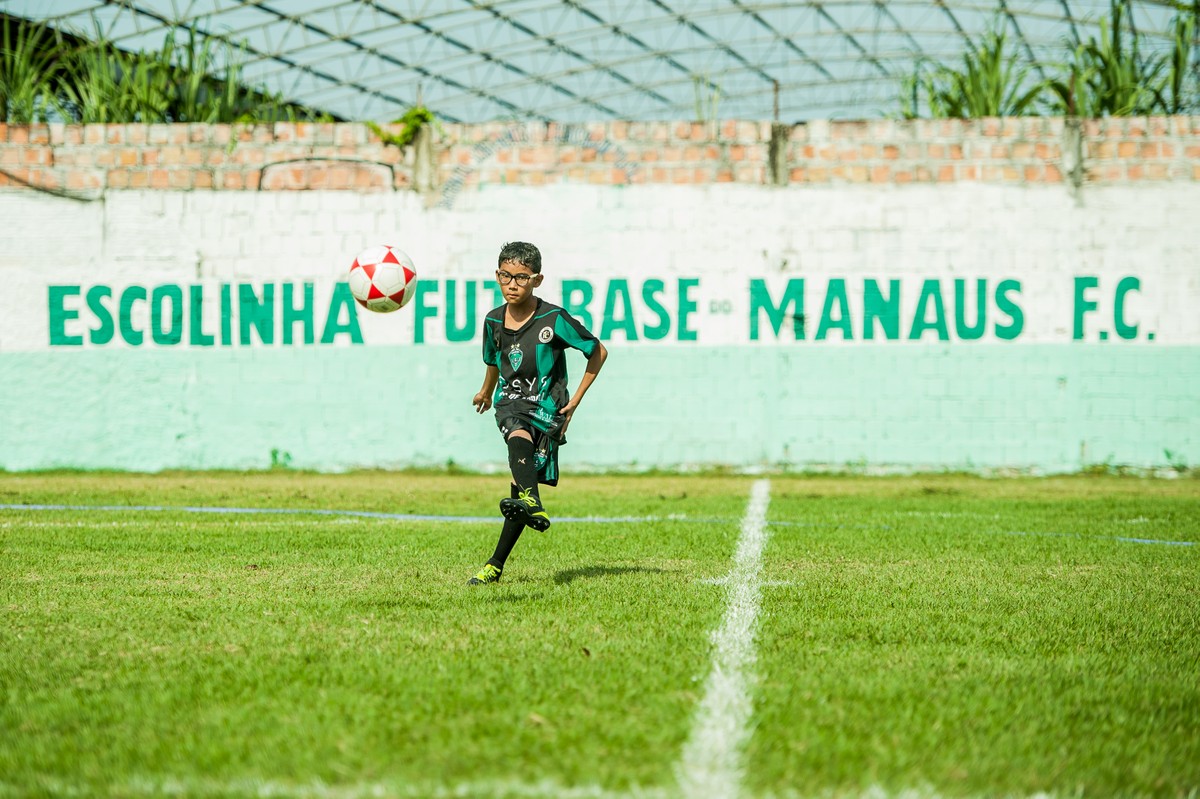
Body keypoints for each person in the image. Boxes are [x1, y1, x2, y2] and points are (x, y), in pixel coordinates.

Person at [468, 241, 608, 585]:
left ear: (537, 280)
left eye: (521, 277)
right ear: (496, 275)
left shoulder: (553, 318)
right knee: (517, 437)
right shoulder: (492, 321)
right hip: (510, 403)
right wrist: (487, 390)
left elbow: (598, 351)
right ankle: (534, 501)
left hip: (548, 408)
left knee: (519, 490)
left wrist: (575, 400)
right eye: (505, 275)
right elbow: (493, 361)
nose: (512, 284)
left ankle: (496, 565)